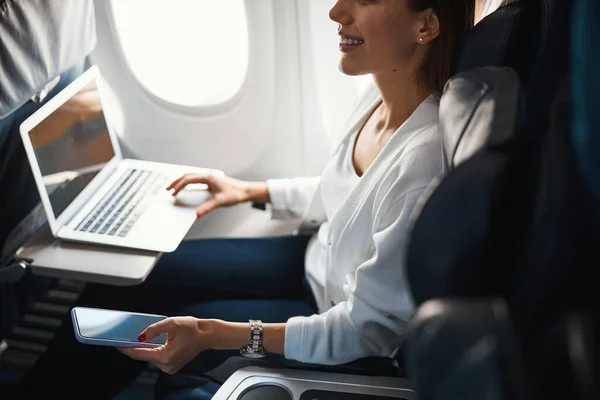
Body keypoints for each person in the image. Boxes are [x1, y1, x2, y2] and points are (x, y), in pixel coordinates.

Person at [14, 0, 476, 399]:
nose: (336, 12)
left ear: (426, 25)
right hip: (316, 262)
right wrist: (246, 190)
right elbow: (349, 193)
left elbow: (363, 331)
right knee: (131, 283)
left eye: (368, 2)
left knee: (175, 346)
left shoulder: (421, 165)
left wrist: (210, 333)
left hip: (333, 317)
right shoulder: (380, 96)